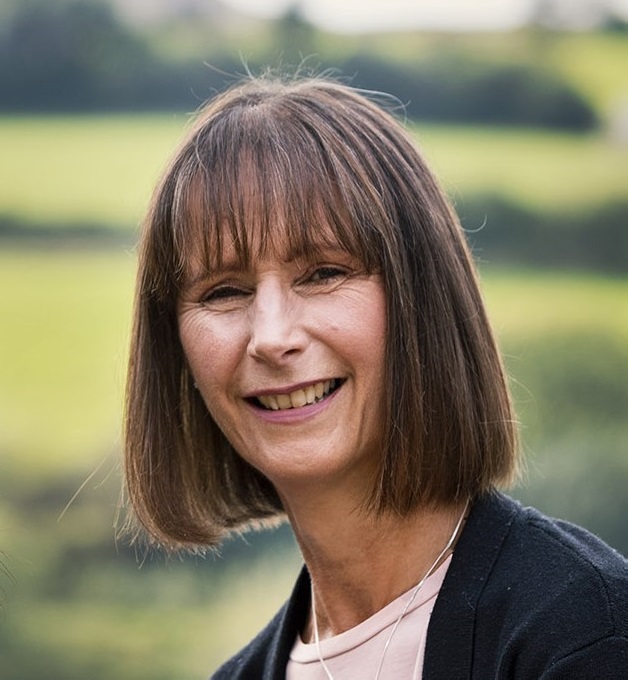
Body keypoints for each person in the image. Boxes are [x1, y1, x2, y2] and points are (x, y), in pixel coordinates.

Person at [123, 74, 628, 679]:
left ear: (421, 298)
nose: (272, 337)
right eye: (224, 291)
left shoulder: (585, 632)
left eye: (324, 273)